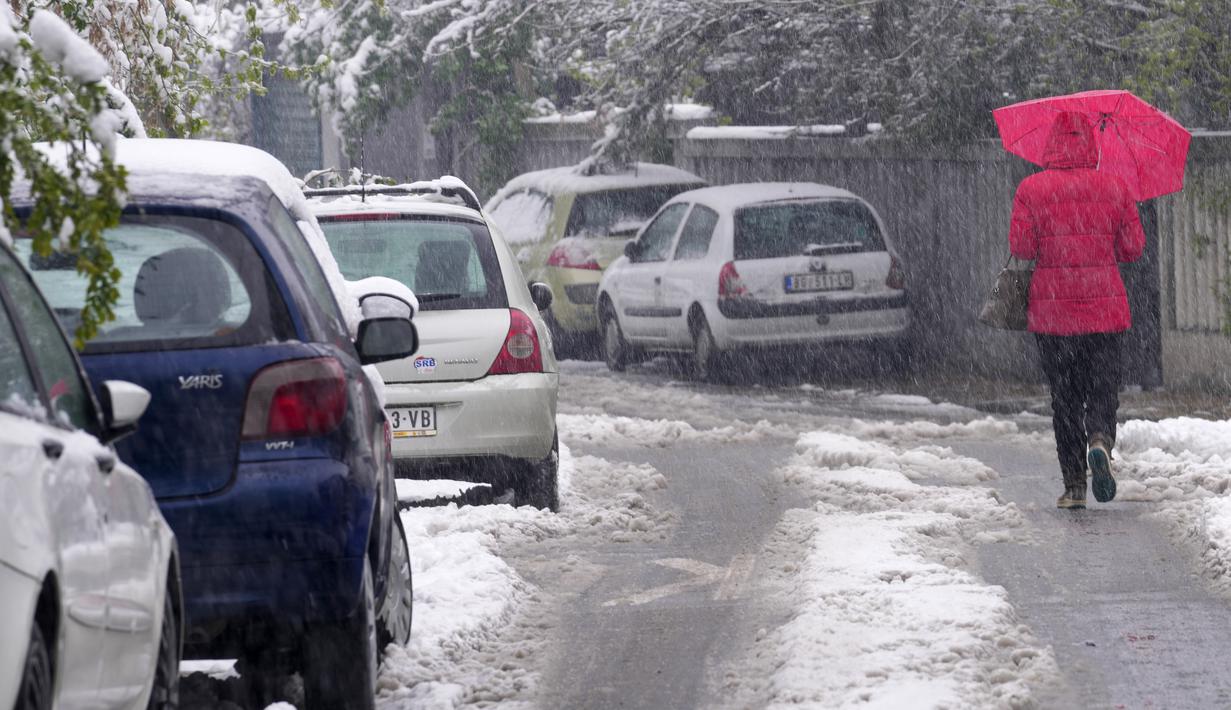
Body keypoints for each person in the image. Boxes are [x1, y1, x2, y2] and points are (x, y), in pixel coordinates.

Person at [1008, 110, 1146, 510]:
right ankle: (1100, 438)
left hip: (1053, 315)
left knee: (1065, 399)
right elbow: (1133, 249)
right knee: (1103, 387)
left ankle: (1073, 487)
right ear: (1092, 143)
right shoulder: (1116, 187)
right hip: (1105, 309)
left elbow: (1022, 249)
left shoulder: (1031, 189)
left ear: (1050, 143)